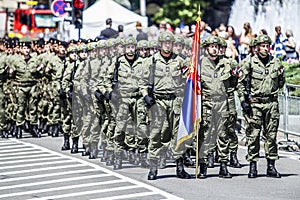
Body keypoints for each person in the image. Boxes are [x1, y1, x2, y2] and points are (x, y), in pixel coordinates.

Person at [141, 31, 191, 180]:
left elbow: (188, 80)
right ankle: (153, 167)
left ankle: (180, 167)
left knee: (178, 135)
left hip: (176, 101)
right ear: (160, 45)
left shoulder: (180, 61)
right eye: (165, 43)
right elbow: (142, 83)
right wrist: (146, 96)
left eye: (170, 43)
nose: (168, 46)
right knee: (156, 134)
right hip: (158, 101)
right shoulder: (151, 61)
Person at [238, 34, 284, 178]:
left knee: (271, 136)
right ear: (257, 48)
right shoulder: (249, 63)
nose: (265, 48)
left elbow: (281, 82)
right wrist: (243, 101)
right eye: (262, 46)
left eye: (267, 46)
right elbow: (240, 83)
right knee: (253, 136)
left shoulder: (276, 63)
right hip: (255, 104)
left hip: (271, 104)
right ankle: (253, 166)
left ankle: (271, 166)